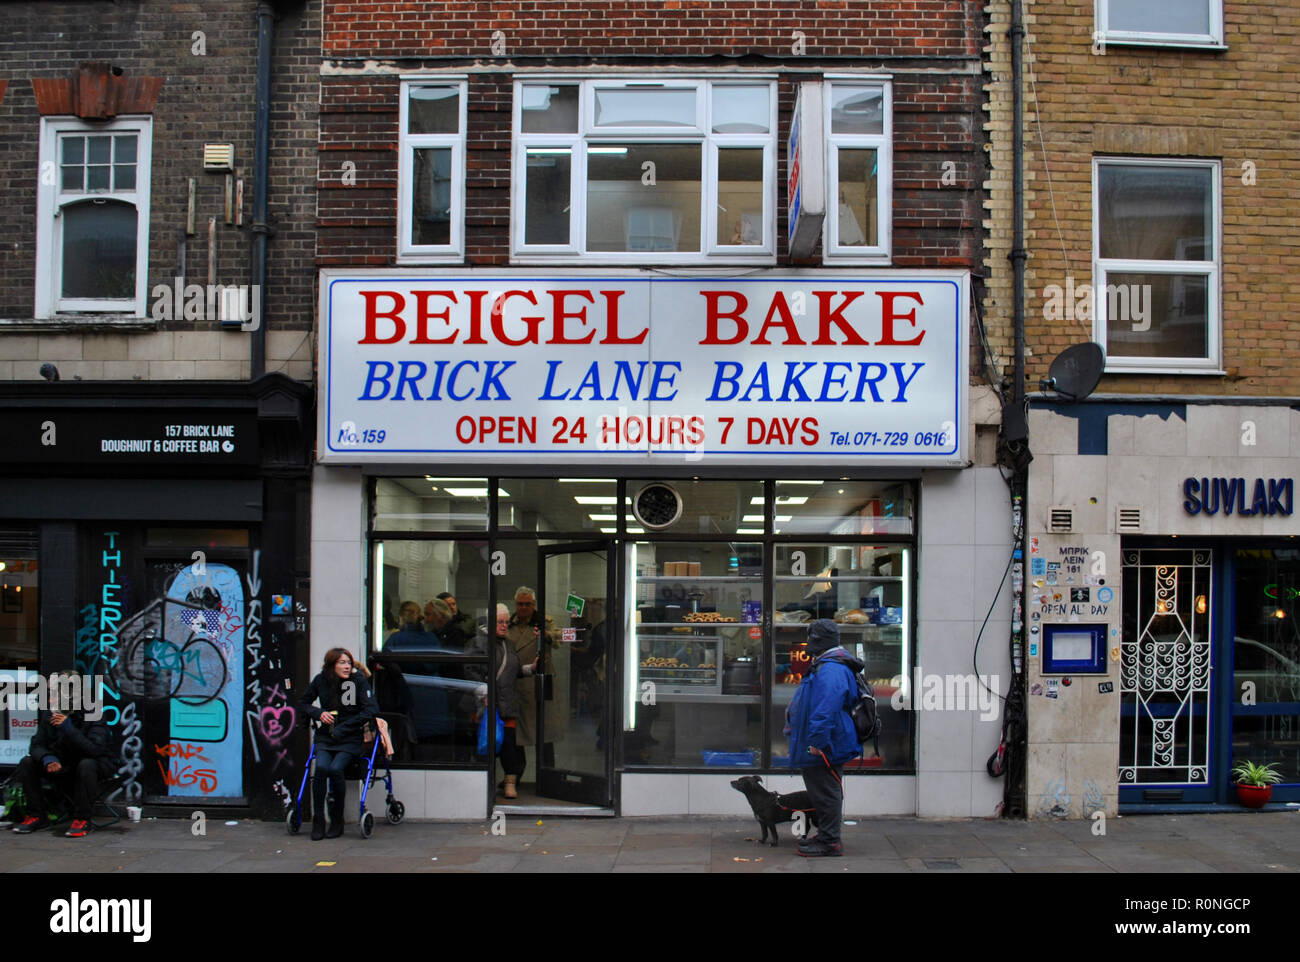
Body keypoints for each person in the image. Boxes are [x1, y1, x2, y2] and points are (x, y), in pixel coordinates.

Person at [785, 619, 862, 857]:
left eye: (812, 640)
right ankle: (827, 836)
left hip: (825, 744)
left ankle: (829, 842)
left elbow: (825, 708)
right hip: (824, 741)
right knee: (823, 791)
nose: (808, 645)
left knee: (826, 792)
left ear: (820, 642)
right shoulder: (828, 665)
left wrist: (817, 743)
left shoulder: (831, 669)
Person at [10, 673, 115, 838]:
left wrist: (68, 728)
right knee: (27, 762)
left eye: (56, 694)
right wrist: (48, 759)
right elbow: (36, 745)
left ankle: (82, 819)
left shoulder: (93, 713)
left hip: (91, 767)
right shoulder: (50, 714)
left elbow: (94, 750)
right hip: (61, 765)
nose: (51, 699)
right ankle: (37, 815)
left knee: (87, 764)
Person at [297, 648, 378, 840]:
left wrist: (345, 727)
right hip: (326, 737)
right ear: (332, 665)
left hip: (349, 737)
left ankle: (336, 820)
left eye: (348, 662)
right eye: (342, 662)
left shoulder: (358, 681)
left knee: (335, 769)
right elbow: (303, 702)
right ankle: (318, 820)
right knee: (321, 768)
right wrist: (318, 713)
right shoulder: (320, 680)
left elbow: (371, 709)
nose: (347, 666)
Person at [469, 604, 539, 798]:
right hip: (488, 704)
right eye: (500, 622)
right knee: (489, 743)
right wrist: (482, 693)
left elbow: (513, 670)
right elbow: (470, 670)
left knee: (509, 745)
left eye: (506, 622)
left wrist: (530, 669)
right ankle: (486, 783)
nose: (504, 626)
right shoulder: (478, 644)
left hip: (507, 703)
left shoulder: (507, 644)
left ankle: (510, 783)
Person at [505, 586, 559, 769]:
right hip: (516, 684)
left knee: (543, 734)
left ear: (534, 604)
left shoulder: (543, 622)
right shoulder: (509, 624)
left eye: (528, 604)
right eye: (520, 604)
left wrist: (546, 635)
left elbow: (559, 637)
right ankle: (515, 775)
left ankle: (547, 775)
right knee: (516, 736)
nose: (523, 608)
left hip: (538, 686)